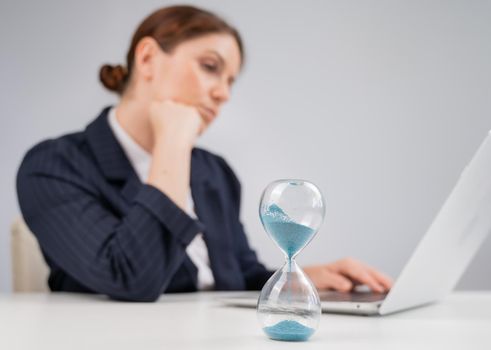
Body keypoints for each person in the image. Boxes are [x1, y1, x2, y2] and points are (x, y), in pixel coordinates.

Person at [16, 5, 392, 301]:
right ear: (146, 58)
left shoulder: (214, 172)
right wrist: (173, 144)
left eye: (230, 81)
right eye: (211, 68)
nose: (223, 94)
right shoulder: (54, 166)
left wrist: (295, 278)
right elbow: (132, 278)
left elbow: (237, 275)